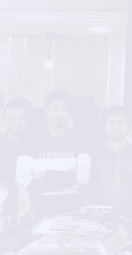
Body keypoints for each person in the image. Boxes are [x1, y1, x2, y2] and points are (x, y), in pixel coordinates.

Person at [16, 90, 94, 219]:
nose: (60, 114)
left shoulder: (81, 141)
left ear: (70, 112)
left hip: (71, 211)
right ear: (47, 112)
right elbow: (22, 181)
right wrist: (70, 177)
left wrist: (43, 175)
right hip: (39, 211)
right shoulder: (29, 141)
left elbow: (84, 179)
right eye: (55, 109)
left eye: (65, 109)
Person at [90, 106, 132, 229]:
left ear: (130, 128)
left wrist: (128, 224)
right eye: (111, 122)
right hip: (99, 224)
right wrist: (96, 220)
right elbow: (88, 191)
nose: (116, 126)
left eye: (122, 122)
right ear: (104, 128)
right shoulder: (94, 156)